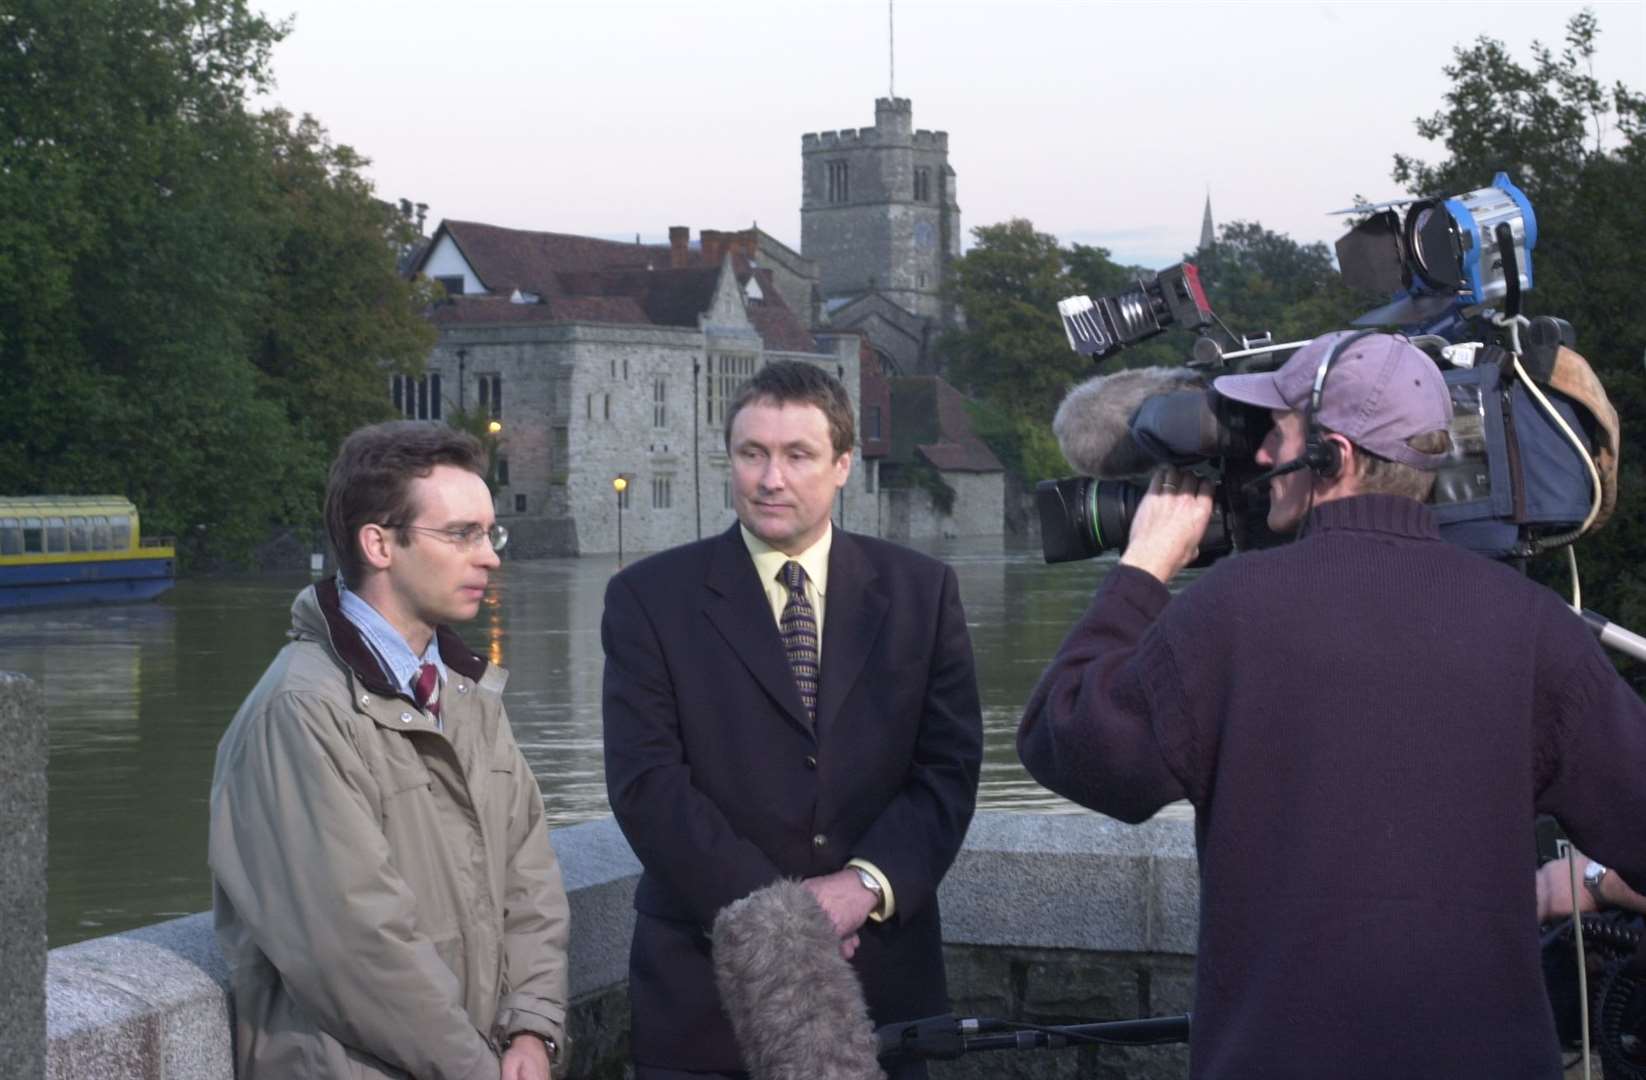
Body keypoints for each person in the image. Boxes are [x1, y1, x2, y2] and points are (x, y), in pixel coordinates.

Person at [1018, 331, 1646, 1079]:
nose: (1257, 458)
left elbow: (1076, 748)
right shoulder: (1536, 626)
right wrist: (1596, 884)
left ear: (1334, 457)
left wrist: (1144, 567)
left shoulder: (1232, 611)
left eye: (1277, 433)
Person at [602, 360, 983, 1079]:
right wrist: (785, 921)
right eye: (752, 454)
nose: (770, 478)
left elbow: (949, 770)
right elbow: (646, 784)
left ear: (844, 464)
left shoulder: (921, 593)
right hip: (706, 991)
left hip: (882, 983)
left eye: (797, 455)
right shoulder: (647, 599)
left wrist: (864, 885)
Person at [209, 421, 569, 1080]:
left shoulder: (468, 696)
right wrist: (480, 1068)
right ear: (378, 542)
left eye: (491, 533)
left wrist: (532, 1030)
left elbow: (533, 884)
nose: (489, 555)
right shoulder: (298, 709)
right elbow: (350, 948)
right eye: (462, 534)